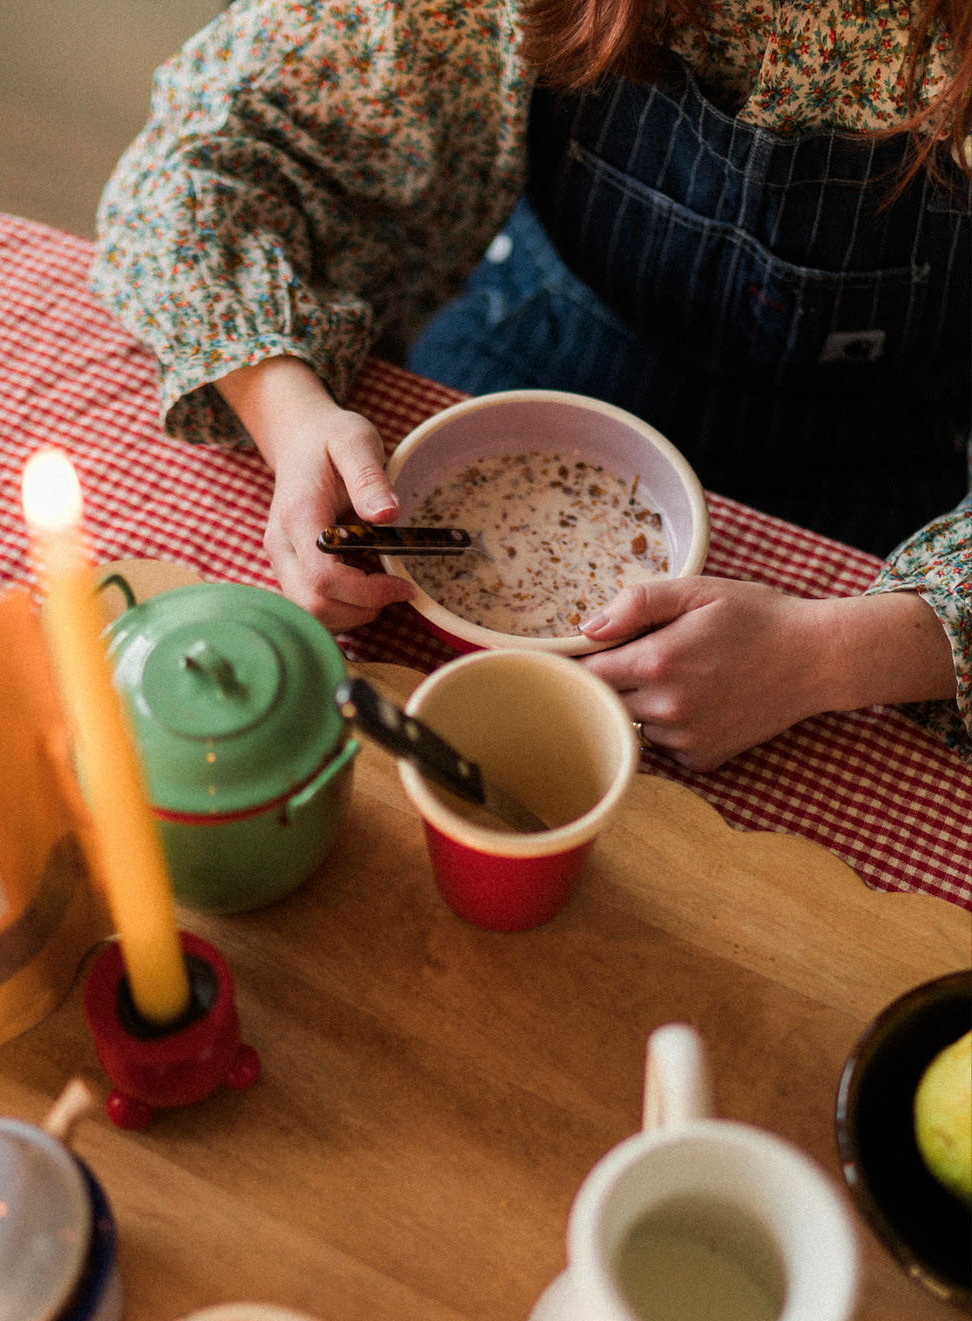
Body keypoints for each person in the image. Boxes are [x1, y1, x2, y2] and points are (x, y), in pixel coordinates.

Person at [91, 0, 970, 770]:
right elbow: (217, 154)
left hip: (879, 466)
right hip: (541, 343)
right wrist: (290, 415)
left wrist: (825, 658)